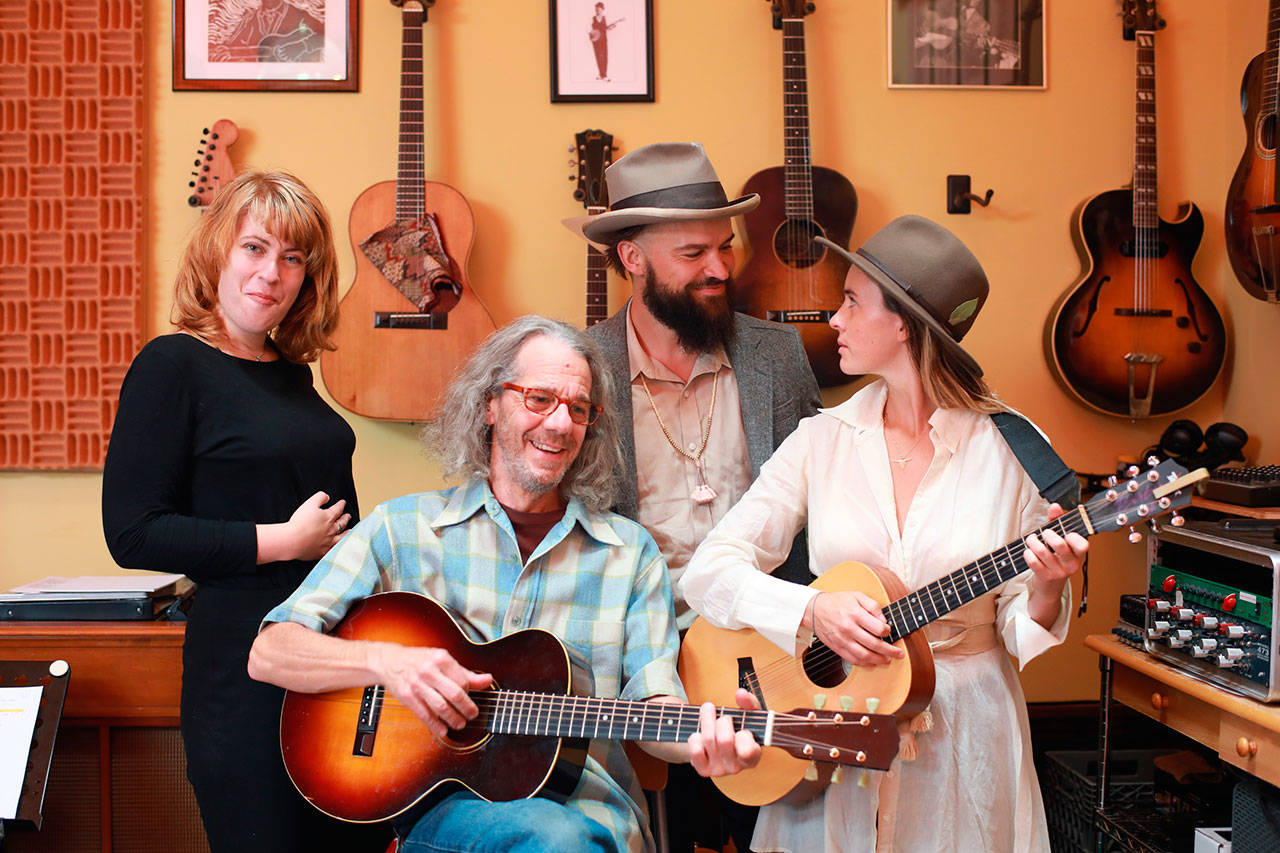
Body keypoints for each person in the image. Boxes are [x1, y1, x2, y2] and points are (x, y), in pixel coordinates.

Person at [247, 316, 761, 853]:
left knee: (563, 839)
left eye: (578, 408)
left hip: (587, 812)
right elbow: (270, 651)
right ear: (490, 405)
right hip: (441, 813)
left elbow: (653, 700)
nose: (560, 424)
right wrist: (389, 665)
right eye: (538, 399)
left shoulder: (630, 554)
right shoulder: (402, 530)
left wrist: (703, 738)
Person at [680, 215, 1089, 852]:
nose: (833, 320)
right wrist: (811, 607)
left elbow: (1020, 624)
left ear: (903, 323)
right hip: (834, 721)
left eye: (849, 301)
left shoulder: (1015, 448)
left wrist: (1047, 588)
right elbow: (709, 572)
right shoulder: (822, 440)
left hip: (970, 732)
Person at [101, 171, 385, 852]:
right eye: (255, 249)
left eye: (293, 258)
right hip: (243, 668)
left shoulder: (291, 374)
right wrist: (281, 540)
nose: (273, 273)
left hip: (330, 656)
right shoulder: (171, 366)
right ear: (217, 254)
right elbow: (132, 530)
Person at [564, 141, 821, 851]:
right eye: (692, 253)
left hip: (772, 661)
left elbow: (816, 511)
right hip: (644, 671)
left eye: (725, 247)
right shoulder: (579, 369)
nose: (719, 269)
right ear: (632, 260)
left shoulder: (777, 354)